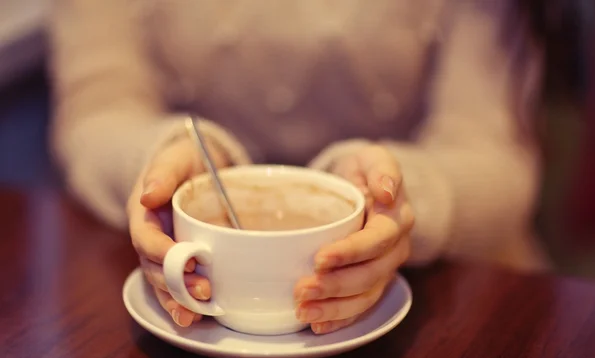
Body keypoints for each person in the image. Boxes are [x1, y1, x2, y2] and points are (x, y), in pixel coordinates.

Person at [50, 0, 549, 333]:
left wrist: (395, 196)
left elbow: (495, 151)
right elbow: (97, 107)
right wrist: (161, 160)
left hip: (454, 301)